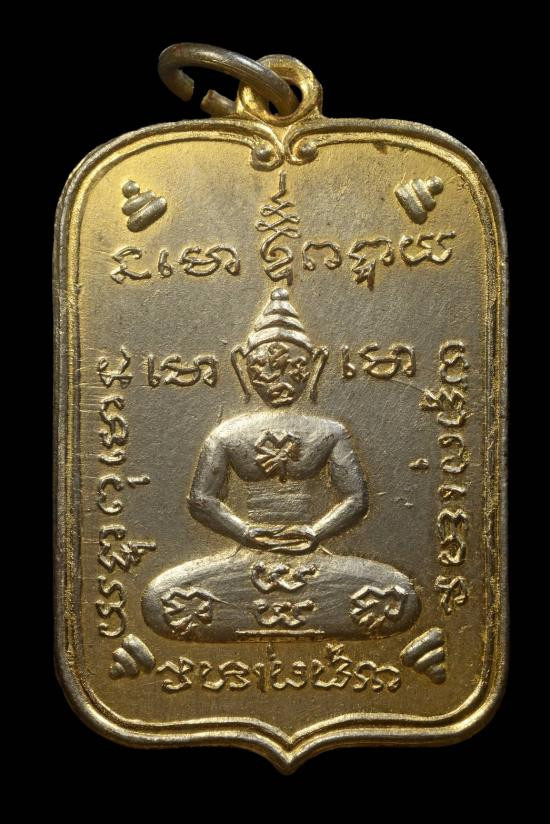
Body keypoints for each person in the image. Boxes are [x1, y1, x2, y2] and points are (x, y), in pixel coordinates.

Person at [142, 288, 420, 641]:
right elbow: (202, 500)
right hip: (246, 555)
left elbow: (355, 499)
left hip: (312, 554)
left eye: (294, 369)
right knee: (162, 599)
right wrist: (245, 532)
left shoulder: (329, 432)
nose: (280, 382)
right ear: (243, 366)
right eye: (265, 369)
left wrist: (315, 532)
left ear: (314, 366)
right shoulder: (226, 434)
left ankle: (261, 615)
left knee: (397, 595)